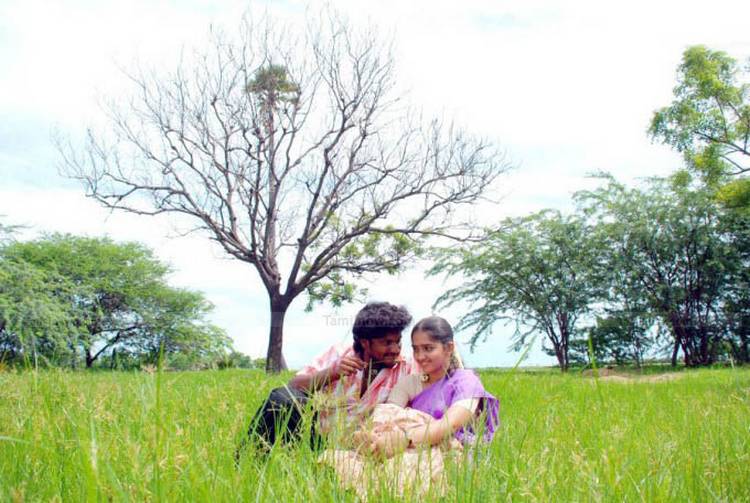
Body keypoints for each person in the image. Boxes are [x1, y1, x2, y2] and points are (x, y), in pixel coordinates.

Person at [319, 316, 499, 499]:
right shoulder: (409, 383)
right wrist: (373, 437)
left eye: (428, 348)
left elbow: (449, 425)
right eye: (416, 349)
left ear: (449, 348)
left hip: (446, 451)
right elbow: (387, 415)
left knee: (403, 471)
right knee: (341, 458)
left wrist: (404, 438)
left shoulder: (465, 381)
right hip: (403, 448)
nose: (420, 357)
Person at [236, 302, 415, 459]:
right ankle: (246, 463)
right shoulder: (338, 354)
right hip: (316, 441)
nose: (395, 349)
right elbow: (293, 386)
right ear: (365, 343)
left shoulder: (405, 368)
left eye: (398, 342)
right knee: (283, 398)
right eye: (387, 343)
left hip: (362, 451)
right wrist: (333, 372)